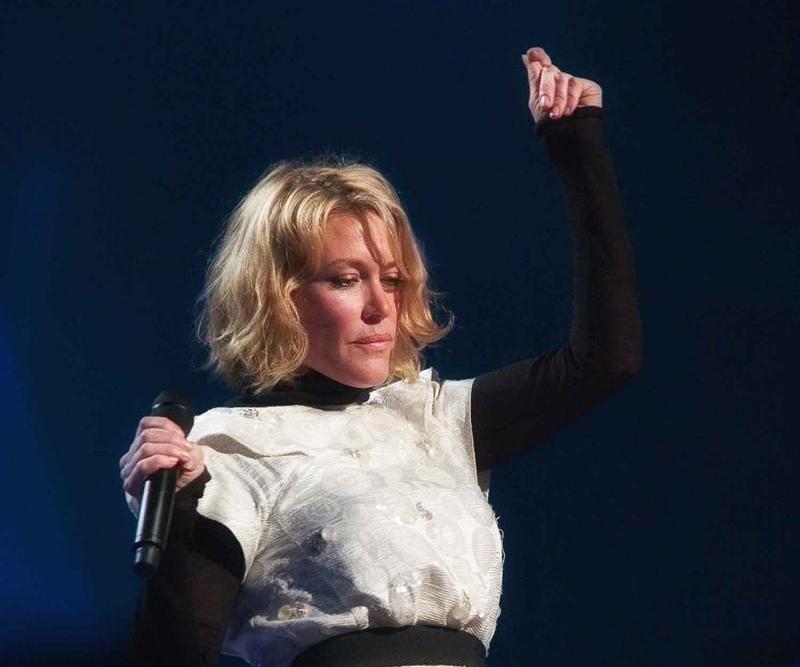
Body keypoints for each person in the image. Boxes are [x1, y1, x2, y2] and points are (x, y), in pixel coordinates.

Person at [119, 45, 643, 667]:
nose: (380, 307)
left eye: (392, 280)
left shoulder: (434, 419)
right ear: (277, 295)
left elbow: (607, 359)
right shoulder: (229, 450)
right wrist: (180, 513)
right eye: (345, 280)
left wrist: (578, 148)